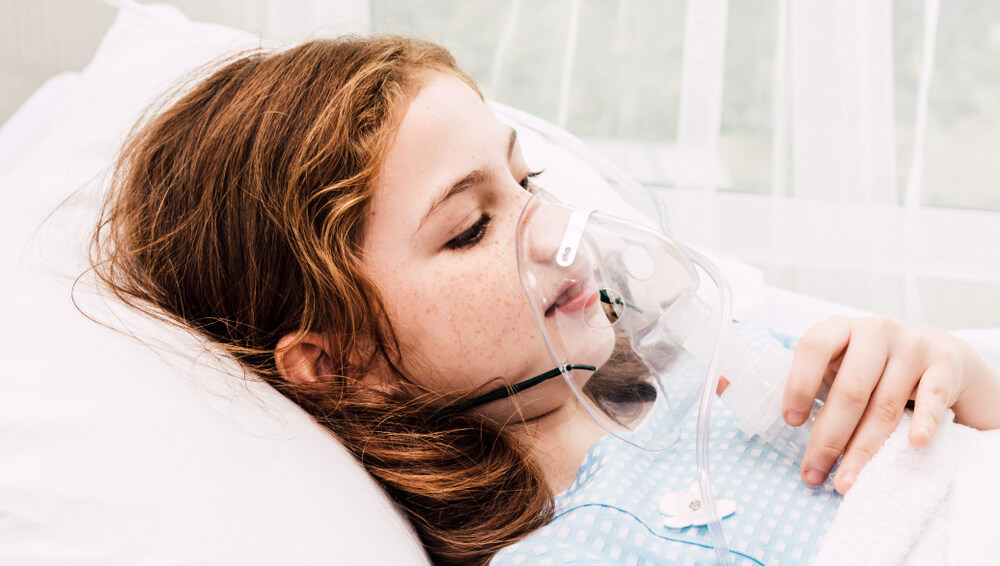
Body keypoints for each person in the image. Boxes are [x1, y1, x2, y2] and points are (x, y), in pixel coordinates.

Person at [92, 36, 1000, 565]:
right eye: (468, 228)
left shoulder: (718, 372)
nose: (549, 223)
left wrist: (954, 377)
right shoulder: (568, 550)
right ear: (338, 364)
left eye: (523, 177)